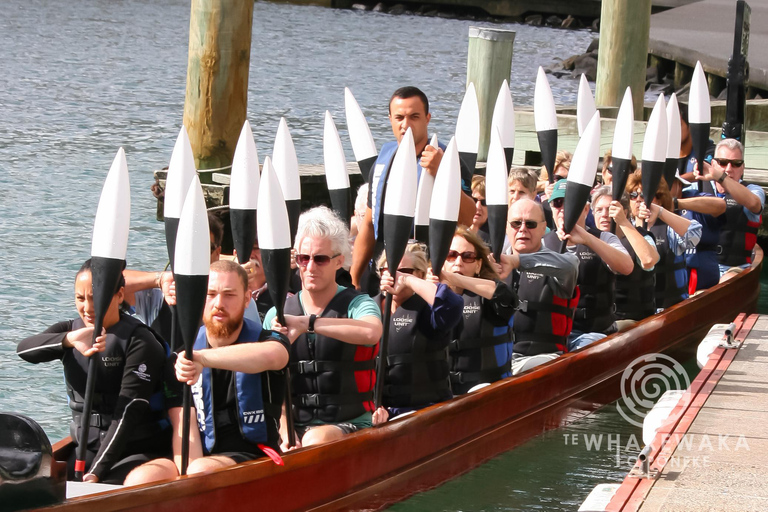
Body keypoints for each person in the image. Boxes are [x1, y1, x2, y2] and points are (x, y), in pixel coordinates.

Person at [123, 260, 290, 485]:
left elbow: (275, 356)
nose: (219, 303)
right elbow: (186, 429)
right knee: (141, 478)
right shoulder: (180, 358)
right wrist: (185, 481)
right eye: (210, 294)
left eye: (229, 295)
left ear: (247, 298)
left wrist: (202, 359)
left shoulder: (269, 339)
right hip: (199, 459)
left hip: (252, 454)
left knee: (201, 469)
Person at [17, 259, 169, 484]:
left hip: (134, 449)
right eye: (80, 298)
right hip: (85, 447)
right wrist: (68, 340)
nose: (87, 308)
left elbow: (128, 412)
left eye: (96, 298)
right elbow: (25, 350)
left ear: (119, 295)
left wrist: (96, 472)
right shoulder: (70, 330)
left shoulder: (140, 341)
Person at [265, 207, 383, 450]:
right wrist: (284, 426)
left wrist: (307, 323)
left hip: (349, 422)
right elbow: (272, 380)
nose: (310, 267)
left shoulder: (359, 304)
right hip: (294, 426)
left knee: (315, 440)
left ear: (340, 261)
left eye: (320, 259)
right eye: (303, 258)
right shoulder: (277, 313)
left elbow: (371, 332)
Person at [350, 86, 475, 294]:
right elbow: (370, 225)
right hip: (384, 274)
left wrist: (444, 174)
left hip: (426, 275)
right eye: (399, 117)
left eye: (414, 117)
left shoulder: (448, 160)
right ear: (390, 118)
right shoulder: (384, 160)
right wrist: (354, 278)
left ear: (427, 118)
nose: (406, 125)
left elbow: (469, 218)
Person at [544, 179, 633, 349]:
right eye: (557, 203)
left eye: (570, 203)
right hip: (552, 337)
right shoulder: (542, 243)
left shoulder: (605, 239)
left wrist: (586, 239)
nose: (563, 209)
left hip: (593, 332)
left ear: (585, 209)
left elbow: (626, 267)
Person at [378, 243, 463, 418]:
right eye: (387, 270)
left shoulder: (429, 310)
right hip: (380, 412)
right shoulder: (368, 307)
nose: (395, 276)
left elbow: (452, 305)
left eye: (405, 271)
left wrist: (408, 281)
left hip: (423, 411)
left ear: (420, 275)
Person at [498, 199, 579, 374]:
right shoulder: (492, 265)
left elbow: (570, 267)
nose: (522, 229)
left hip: (543, 360)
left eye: (531, 224)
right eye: (516, 223)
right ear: (506, 227)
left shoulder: (562, 263)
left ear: (544, 228)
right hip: (499, 364)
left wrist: (517, 261)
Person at [440, 227, 517, 394]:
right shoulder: (429, 297)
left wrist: (452, 278)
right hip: (444, 397)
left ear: (478, 265)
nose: (458, 262)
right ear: (442, 261)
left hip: (489, 392)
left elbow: (506, 296)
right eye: (451, 255)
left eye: (467, 257)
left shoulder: (492, 296)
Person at [626, 173, 701, 309]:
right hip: (635, 312)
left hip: (669, 310)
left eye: (644, 195)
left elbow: (695, 234)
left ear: (659, 199)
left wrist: (660, 212)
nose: (638, 200)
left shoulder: (669, 229)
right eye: (633, 195)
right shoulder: (624, 228)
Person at [694, 138, 764, 275]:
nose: (729, 169)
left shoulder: (753, 190)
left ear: (742, 167)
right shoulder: (695, 188)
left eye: (736, 164)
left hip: (734, 269)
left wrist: (720, 177)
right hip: (699, 266)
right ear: (713, 164)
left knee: (727, 279)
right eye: (723, 163)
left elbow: (755, 204)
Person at [591, 186, 659, 328]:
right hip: (597, 322)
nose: (604, 215)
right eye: (599, 210)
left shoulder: (642, 237)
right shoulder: (588, 239)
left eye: (610, 210)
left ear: (625, 212)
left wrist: (623, 222)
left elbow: (649, 260)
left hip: (633, 321)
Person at [469, 175, 491, 244]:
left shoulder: (502, 241)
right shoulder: (451, 234)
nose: (478, 207)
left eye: (484, 202)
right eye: (474, 200)